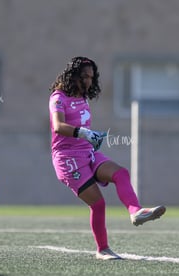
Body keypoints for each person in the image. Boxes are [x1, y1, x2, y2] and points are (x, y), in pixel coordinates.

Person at [49, 56, 166, 260]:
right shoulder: (58, 98)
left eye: (91, 78)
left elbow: (82, 129)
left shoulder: (83, 98)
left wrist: (91, 138)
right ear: (73, 75)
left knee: (120, 173)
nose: (88, 81)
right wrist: (84, 133)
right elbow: (58, 126)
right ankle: (102, 250)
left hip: (87, 153)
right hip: (67, 159)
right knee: (98, 204)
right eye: (84, 76)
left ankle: (136, 212)